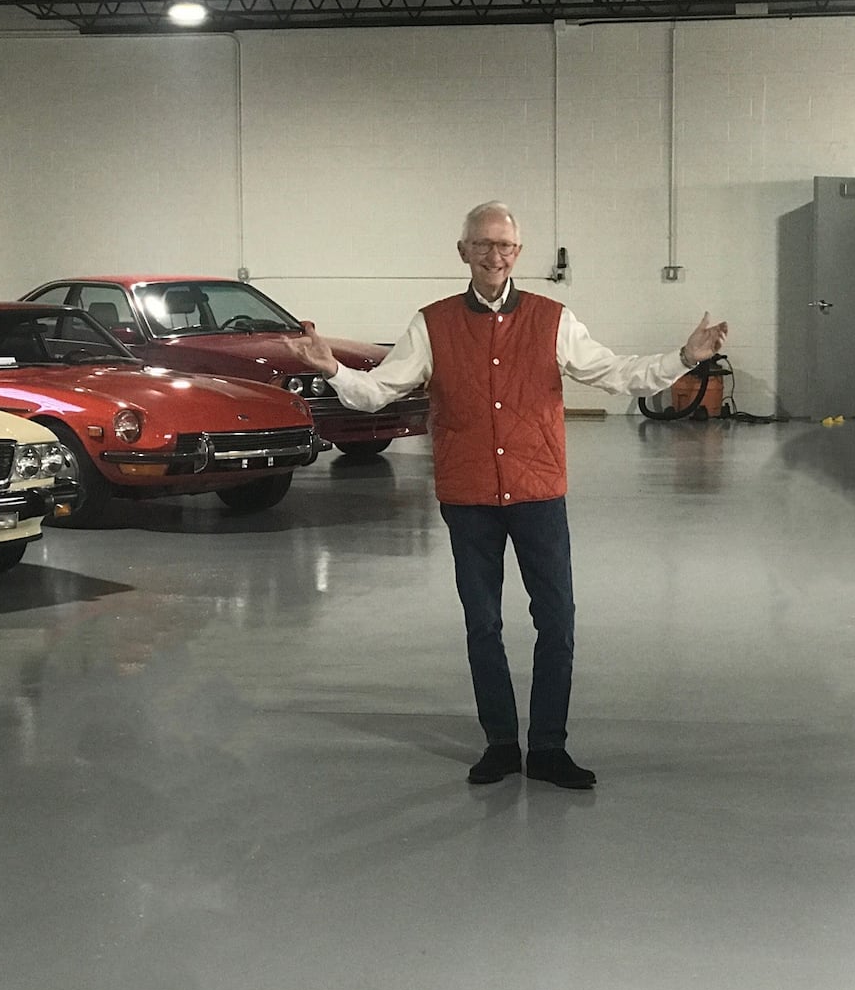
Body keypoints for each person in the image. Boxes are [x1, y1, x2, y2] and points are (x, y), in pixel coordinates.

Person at [293, 201, 728, 789]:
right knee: (483, 623)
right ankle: (501, 743)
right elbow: (377, 393)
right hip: (468, 494)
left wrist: (684, 359)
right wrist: (332, 370)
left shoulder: (553, 319)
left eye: (506, 246)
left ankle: (548, 746)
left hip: (537, 492)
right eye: (484, 244)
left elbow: (616, 374)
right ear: (463, 251)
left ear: (517, 254)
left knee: (557, 621)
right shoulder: (432, 324)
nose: (495, 255)